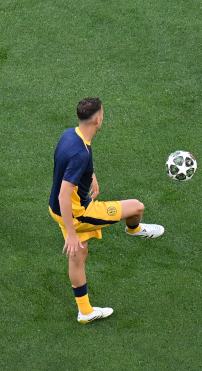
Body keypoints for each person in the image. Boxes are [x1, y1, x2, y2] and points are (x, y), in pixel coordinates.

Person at [49, 98, 163, 323]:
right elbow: (65, 193)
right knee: (136, 207)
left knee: (78, 256)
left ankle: (85, 311)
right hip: (76, 213)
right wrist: (72, 233)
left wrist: (90, 175)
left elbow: (66, 164)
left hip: (56, 209)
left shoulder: (70, 134)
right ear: (98, 119)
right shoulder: (81, 153)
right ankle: (134, 229)